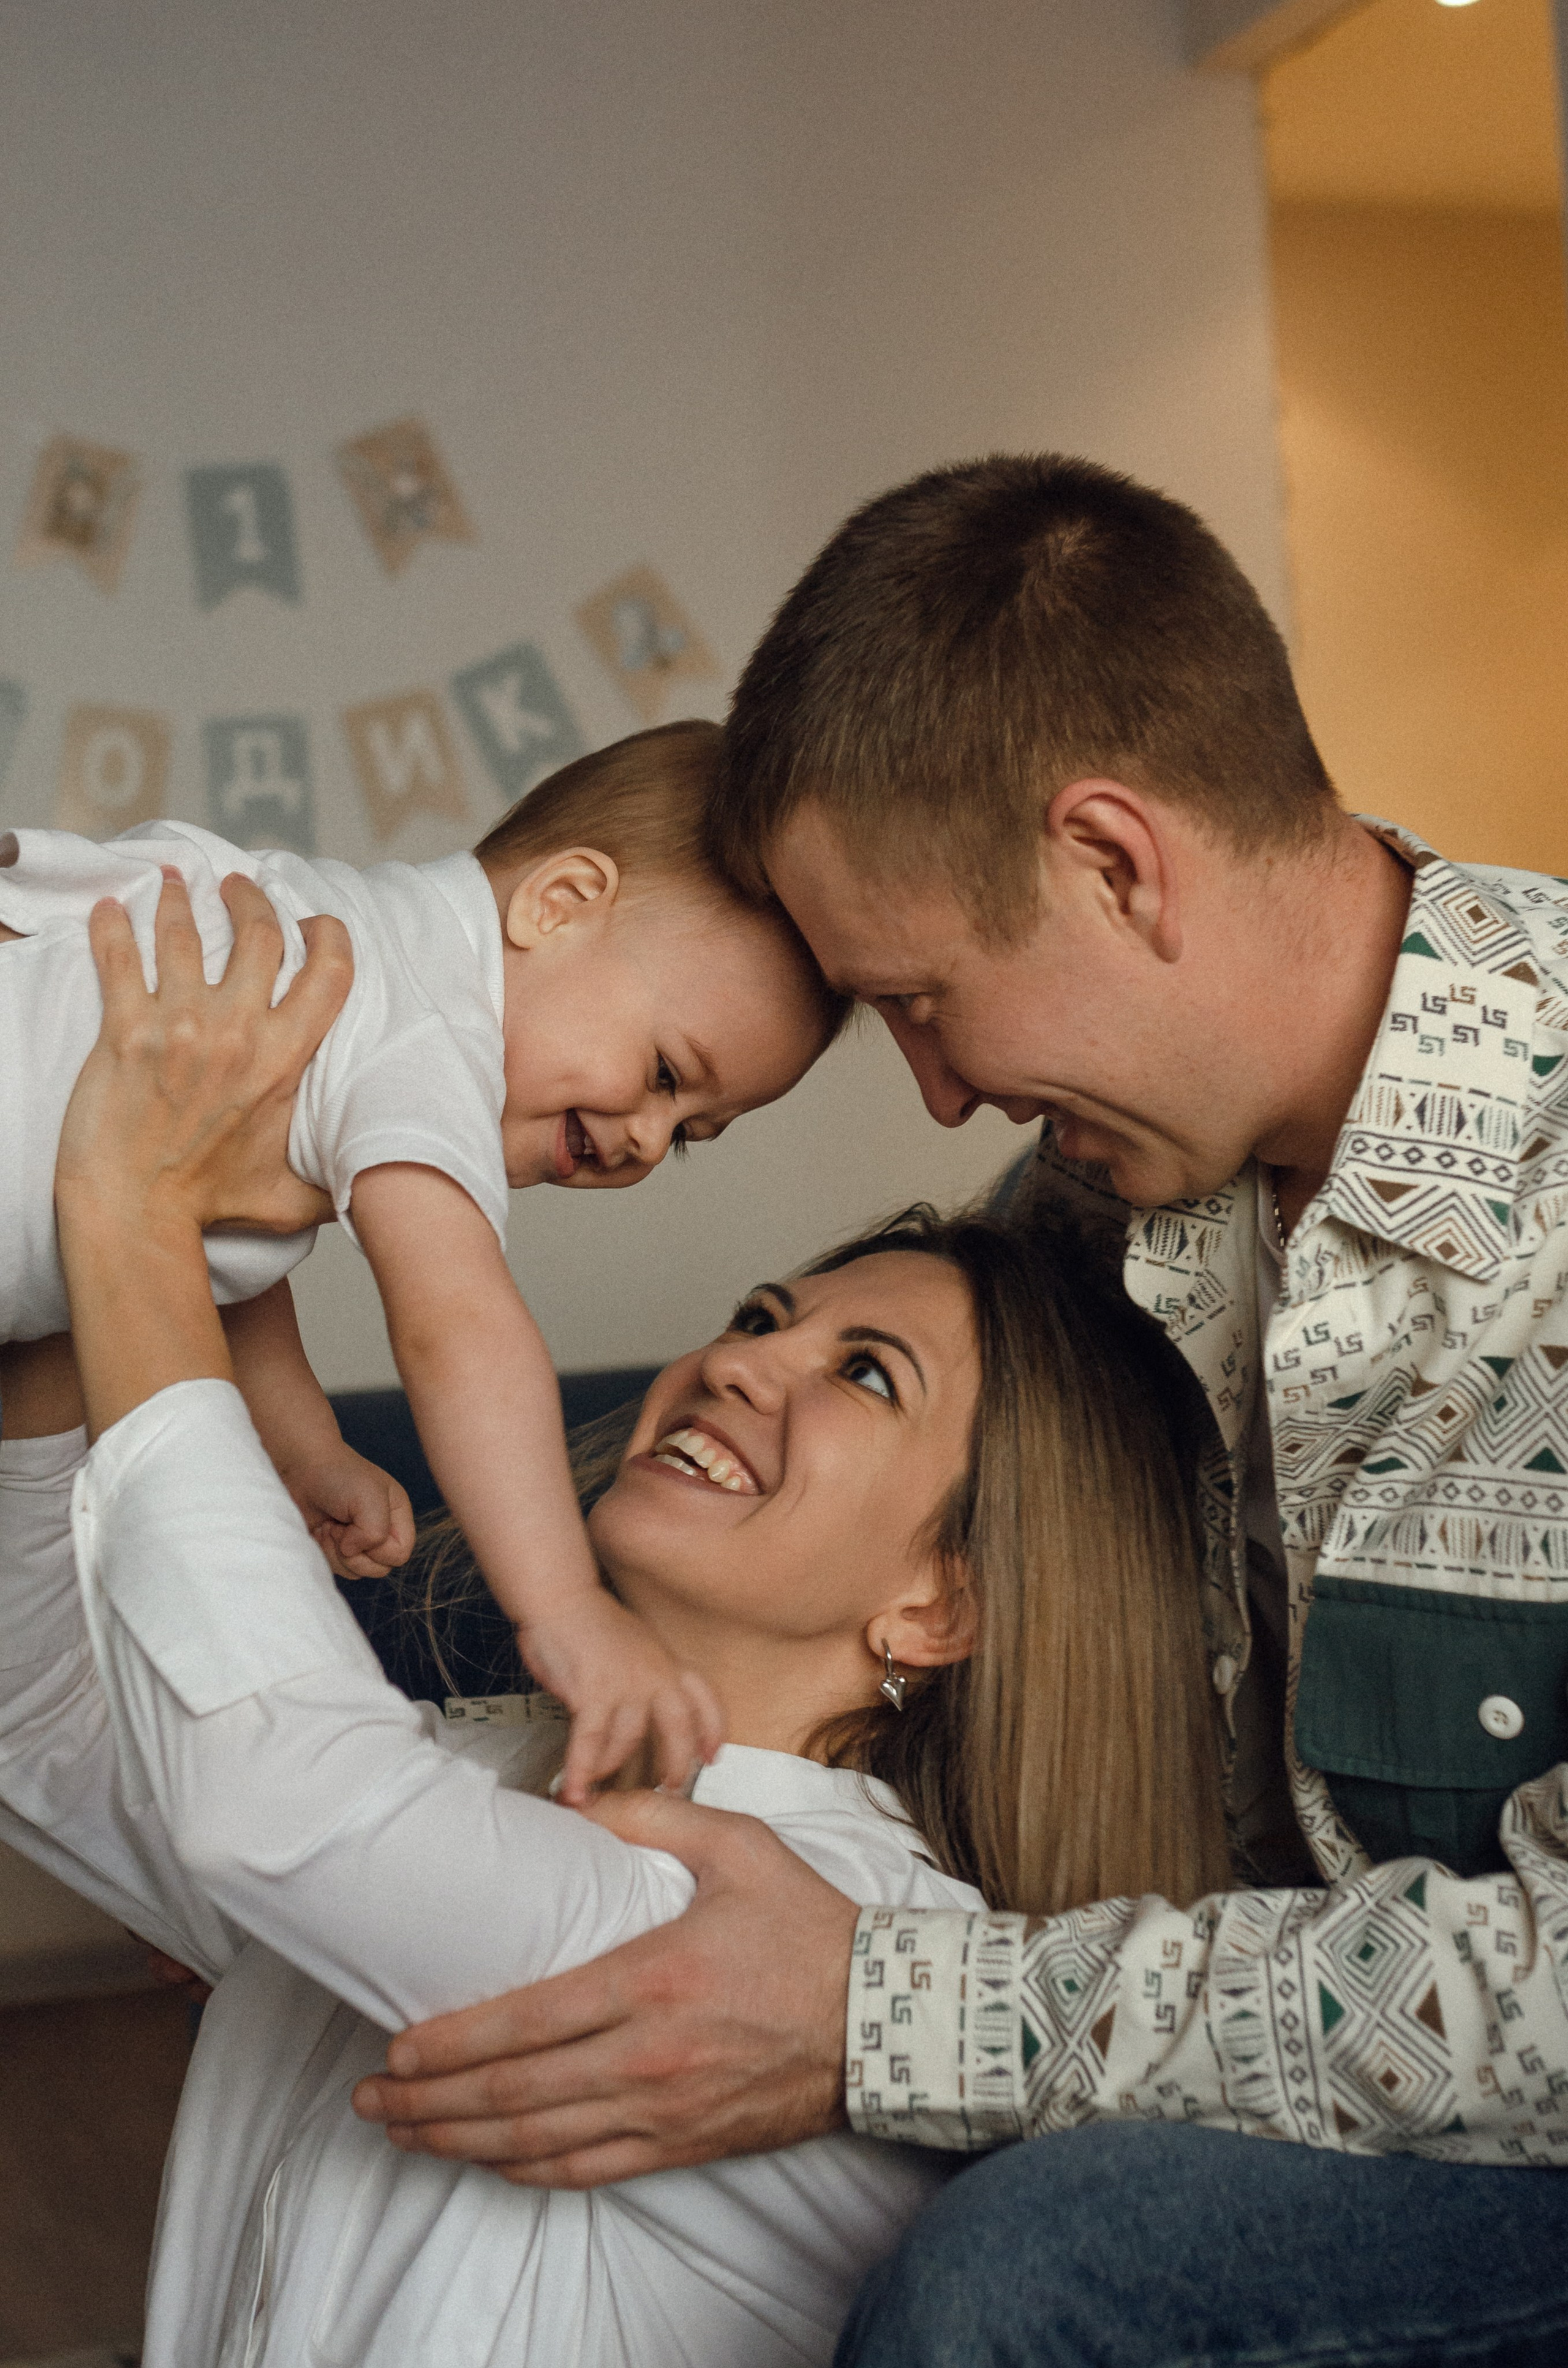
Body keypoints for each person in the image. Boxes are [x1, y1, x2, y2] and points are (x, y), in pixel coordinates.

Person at [354, 458, 1568, 2367]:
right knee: (398, 1552)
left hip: (1530, 2115)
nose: (933, 1096)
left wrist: (889, 2016)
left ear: (1113, 863)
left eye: (923, 1001)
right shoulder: (1104, 1202)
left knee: (1031, 2274)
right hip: (1191, 1986)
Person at [0, 871, 1227, 2368]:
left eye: (863, 1375)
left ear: (942, 1600)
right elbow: (43, 1711)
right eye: (764, 1317)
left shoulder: (836, 1947)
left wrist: (131, 1214)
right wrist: (91, 1236)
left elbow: (273, 1790)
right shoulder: (473, 1775)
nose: (737, 1363)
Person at [0, 720, 843, 1796]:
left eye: (686, 1132)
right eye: (669, 1070)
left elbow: (224, 1234)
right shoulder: (425, 1027)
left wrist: (302, 1439)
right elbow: (458, 1323)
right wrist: (565, 1607)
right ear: (562, 902)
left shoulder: (338, 944)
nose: (645, 1134)